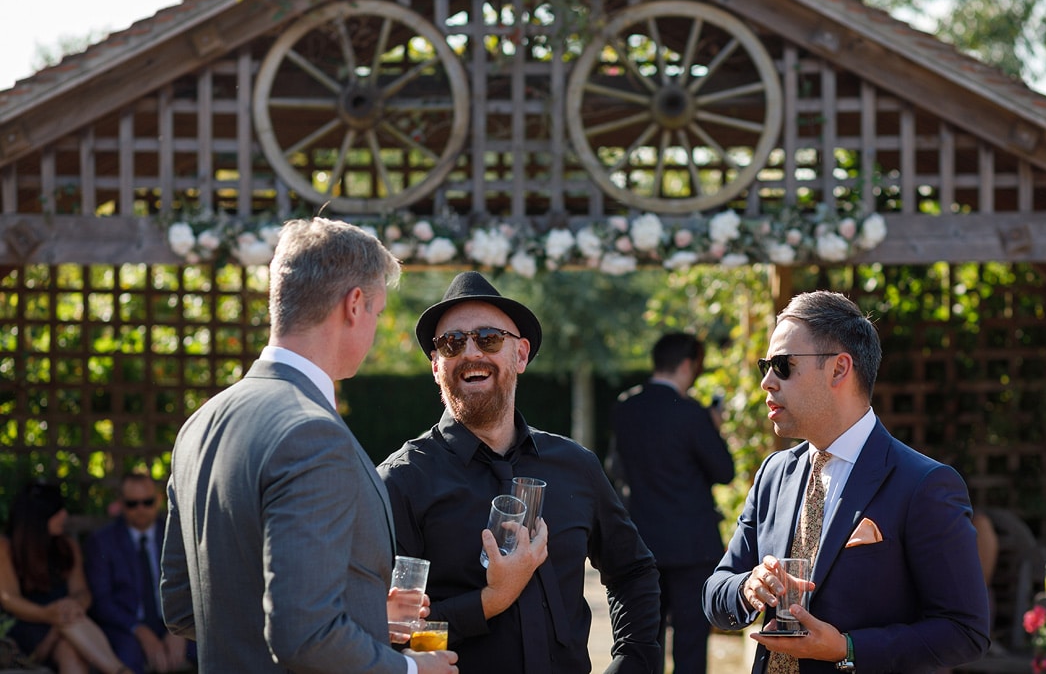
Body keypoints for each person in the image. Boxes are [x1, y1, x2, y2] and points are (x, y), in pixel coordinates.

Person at [160, 217, 458, 674]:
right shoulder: (311, 433)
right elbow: (303, 636)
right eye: (377, 313)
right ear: (354, 304)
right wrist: (412, 671)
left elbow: (184, 607)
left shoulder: (200, 425)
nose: (374, 329)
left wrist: (361, 616)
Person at [377, 271, 661, 674]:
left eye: (489, 338)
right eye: (452, 343)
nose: (471, 352)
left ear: (521, 354)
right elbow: (386, 631)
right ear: (437, 365)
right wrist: (490, 600)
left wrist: (632, 661)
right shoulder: (400, 483)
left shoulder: (576, 466)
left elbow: (633, 571)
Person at [702, 290, 990, 673]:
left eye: (783, 365)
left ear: (839, 369)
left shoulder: (924, 484)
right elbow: (715, 592)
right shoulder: (774, 474)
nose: (767, 382)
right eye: (764, 366)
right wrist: (746, 587)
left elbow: (965, 632)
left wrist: (847, 648)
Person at [609, 332, 735, 674]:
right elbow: (724, 471)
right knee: (691, 643)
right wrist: (715, 427)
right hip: (692, 544)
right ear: (688, 364)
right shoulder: (691, 412)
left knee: (644, 639)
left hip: (642, 540)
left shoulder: (625, 406)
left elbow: (616, 468)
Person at [0, 481, 133, 674]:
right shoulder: (6, 548)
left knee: (71, 652)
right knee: (68, 623)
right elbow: (9, 600)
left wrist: (74, 606)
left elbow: (82, 592)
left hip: (67, 625)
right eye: (57, 511)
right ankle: (120, 671)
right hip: (26, 630)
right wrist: (48, 614)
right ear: (37, 517)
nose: (65, 515)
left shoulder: (67, 547)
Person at [85, 470, 192, 673]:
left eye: (148, 502)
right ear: (121, 504)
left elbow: (195, 586)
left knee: (212, 650)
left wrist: (180, 628)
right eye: (132, 504)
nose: (141, 509)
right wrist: (139, 630)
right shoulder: (102, 542)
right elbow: (102, 601)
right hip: (127, 627)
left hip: (175, 621)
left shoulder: (177, 534)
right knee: (126, 656)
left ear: (159, 499)